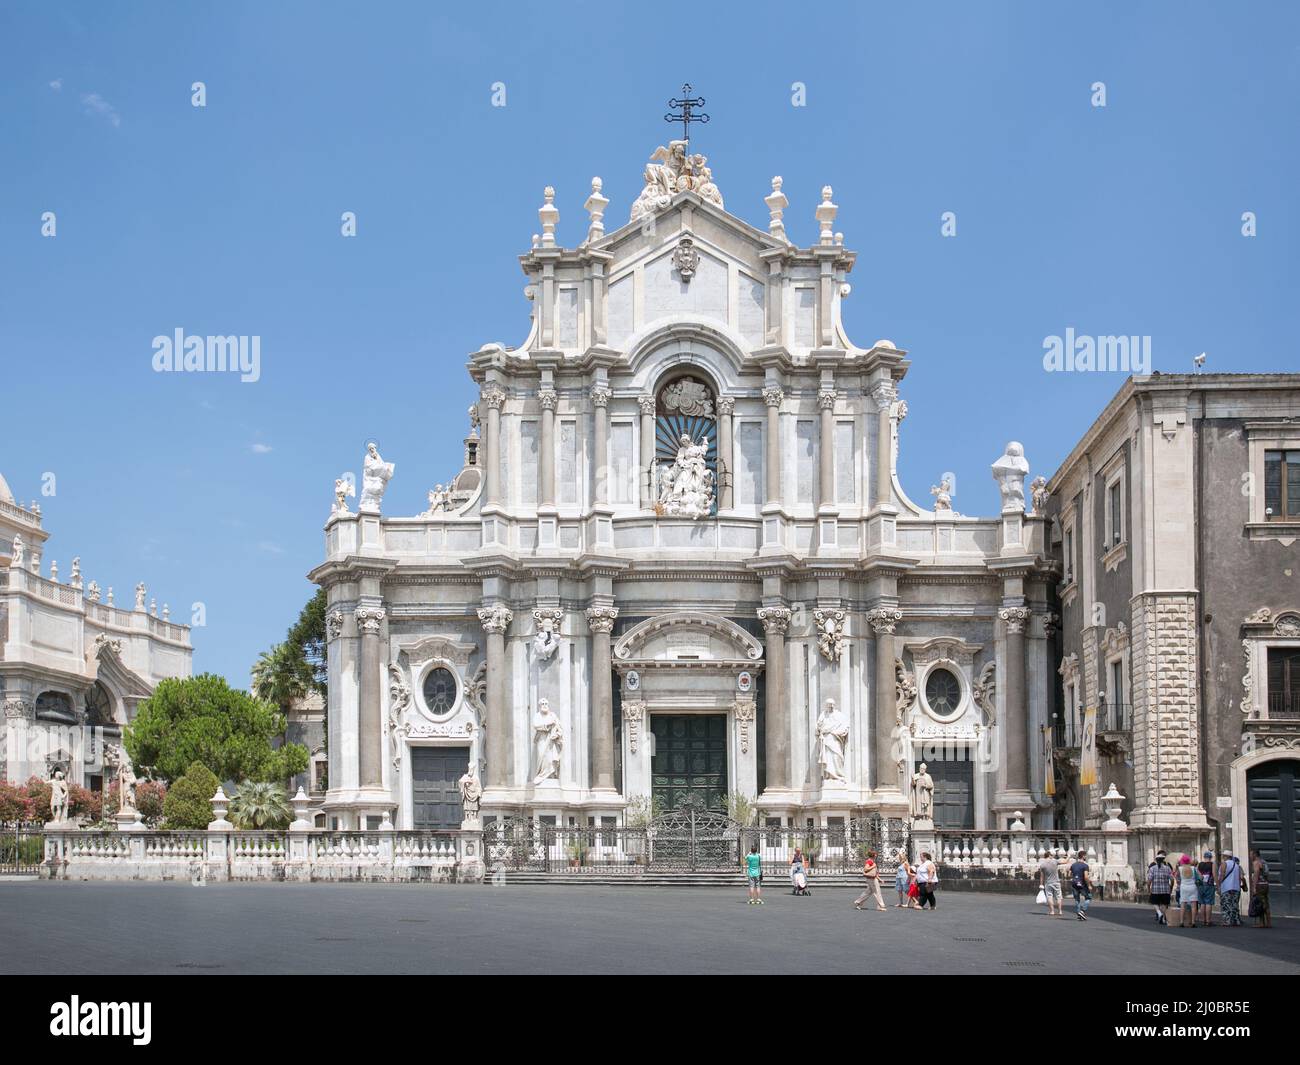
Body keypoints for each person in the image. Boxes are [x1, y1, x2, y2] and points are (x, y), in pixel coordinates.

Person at [1218, 851, 1245, 927]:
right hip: (1236, 887)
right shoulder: (1236, 865)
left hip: (1227, 887)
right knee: (1234, 905)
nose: (1222, 857)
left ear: (1225, 856)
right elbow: (1240, 877)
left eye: (1223, 855)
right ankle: (1236, 920)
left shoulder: (1224, 863)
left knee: (1226, 905)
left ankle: (1228, 921)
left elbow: (1222, 875)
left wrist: (1219, 885)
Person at [1147, 850, 1174, 925]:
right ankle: (1164, 919)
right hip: (1165, 890)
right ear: (1163, 860)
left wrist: (1149, 889)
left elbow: (1149, 880)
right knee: (1165, 904)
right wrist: (1171, 888)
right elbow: (1172, 879)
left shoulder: (1152, 868)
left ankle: (1159, 913)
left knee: (1154, 903)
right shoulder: (1167, 868)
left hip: (1155, 890)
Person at [1038, 849, 1064, 918]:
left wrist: (1041, 884)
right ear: (1049, 855)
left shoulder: (1042, 865)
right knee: (1059, 897)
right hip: (1056, 882)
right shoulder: (1055, 861)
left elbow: (1041, 876)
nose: (1052, 856)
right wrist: (1069, 856)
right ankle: (1060, 911)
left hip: (1048, 883)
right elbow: (1065, 861)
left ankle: (1052, 911)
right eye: (1051, 855)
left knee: (1050, 897)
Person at [1068, 849, 1092, 921]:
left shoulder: (1073, 865)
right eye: (1085, 856)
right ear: (1083, 856)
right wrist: (1089, 885)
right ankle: (1082, 911)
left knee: (1077, 899)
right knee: (1088, 898)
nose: (1086, 857)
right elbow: (1086, 877)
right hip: (1082, 884)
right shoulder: (1085, 865)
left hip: (1074, 883)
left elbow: (1069, 874)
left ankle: (1079, 914)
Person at [1249, 850, 1271, 929]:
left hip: (1259, 885)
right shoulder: (1264, 862)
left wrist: (1254, 887)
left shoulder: (1256, 862)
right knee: (1265, 903)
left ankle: (1262, 923)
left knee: (1260, 904)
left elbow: (1256, 874)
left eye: (1251, 854)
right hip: (1265, 884)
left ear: (1255, 854)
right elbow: (1267, 874)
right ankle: (1268, 922)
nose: (1250, 856)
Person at [1175, 854, 1198, 928]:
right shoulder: (1194, 868)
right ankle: (1193, 922)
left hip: (1184, 887)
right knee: (1193, 906)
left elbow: (1176, 876)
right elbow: (1201, 876)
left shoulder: (1180, 868)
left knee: (1183, 905)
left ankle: (1181, 922)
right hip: (1193, 887)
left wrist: (1179, 882)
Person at [1195, 851, 1217, 927]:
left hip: (1201, 885)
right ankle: (1208, 921)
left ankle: (1203, 920)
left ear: (1204, 857)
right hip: (1209, 884)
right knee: (1208, 902)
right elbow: (1214, 874)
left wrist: (1201, 875)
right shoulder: (1212, 864)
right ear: (1210, 857)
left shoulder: (1200, 864)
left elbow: (1197, 872)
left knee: (1202, 903)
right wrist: (1216, 883)